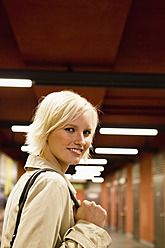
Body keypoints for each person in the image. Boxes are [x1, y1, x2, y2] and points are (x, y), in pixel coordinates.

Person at [1, 90, 112, 248]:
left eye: (87, 132)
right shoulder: (50, 182)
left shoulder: (31, 178)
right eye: (70, 129)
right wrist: (89, 228)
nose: (81, 141)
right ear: (46, 130)